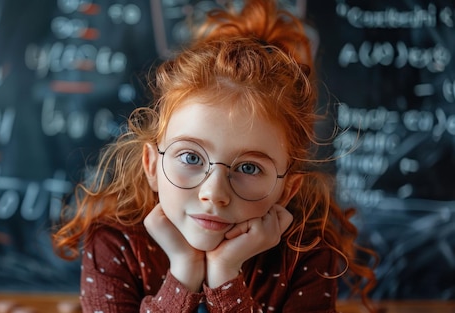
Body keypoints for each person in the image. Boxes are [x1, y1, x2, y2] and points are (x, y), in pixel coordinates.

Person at [53, 0, 377, 312]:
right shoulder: (114, 244)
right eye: (191, 158)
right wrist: (183, 272)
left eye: (249, 167)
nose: (214, 193)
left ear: (287, 188)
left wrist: (225, 275)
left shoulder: (306, 255)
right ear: (152, 165)